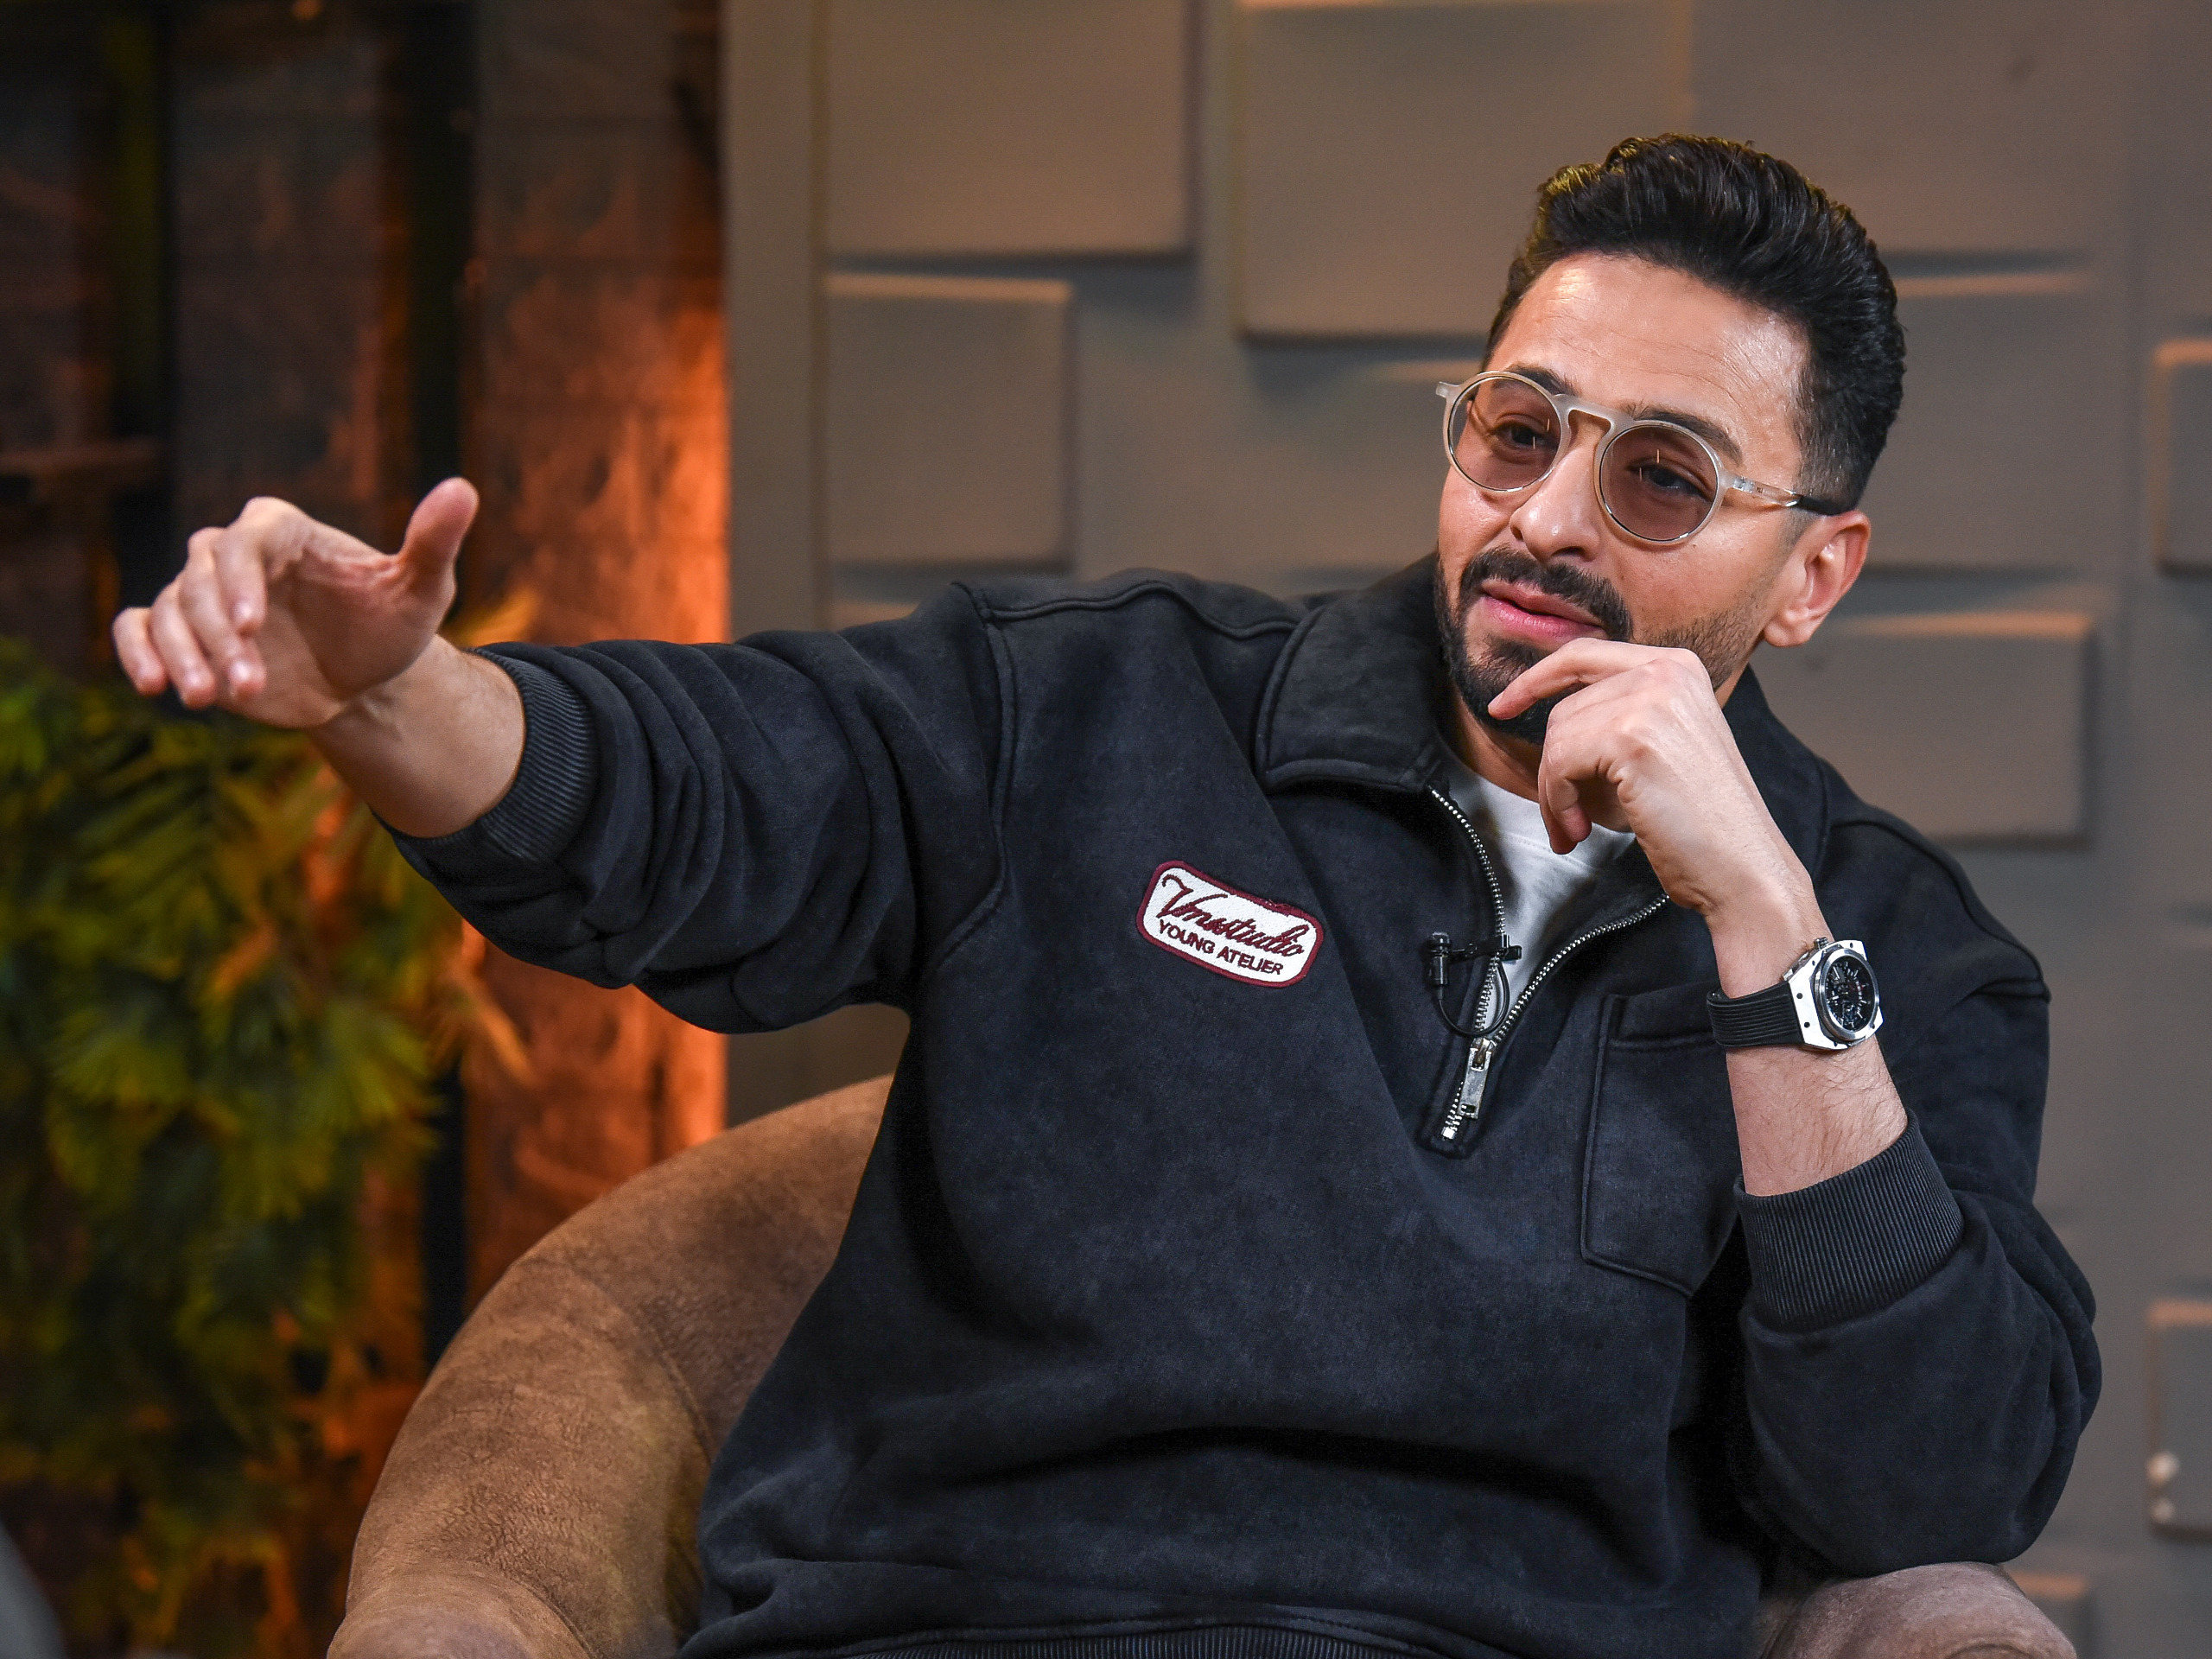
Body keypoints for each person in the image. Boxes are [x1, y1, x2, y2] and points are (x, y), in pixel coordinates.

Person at [111, 136, 2096, 1659]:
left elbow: (1923, 1479)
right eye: (1515, 432)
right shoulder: (1101, 713)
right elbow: (689, 799)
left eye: (1657, 477)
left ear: (1810, 574)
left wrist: (1761, 927)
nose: (1543, 520)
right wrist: (397, 699)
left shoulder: (1892, 954)